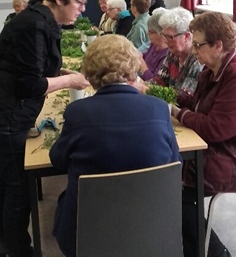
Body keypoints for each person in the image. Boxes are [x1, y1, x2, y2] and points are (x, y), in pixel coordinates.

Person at [0, 0, 94, 257]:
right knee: (19, 186)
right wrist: (68, 80)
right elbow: (29, 84)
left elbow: (36, 66)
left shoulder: (39, 19)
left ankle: (3, 239)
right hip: (7, 115)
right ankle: (18, 248)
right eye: (79, 3)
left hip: (7, 111)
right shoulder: (35, 24)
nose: (82, 9)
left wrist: (63, 71)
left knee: (9, 177)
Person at [50, 34, 181, 257]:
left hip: (88, 232)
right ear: (133, 69)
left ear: (90, 75)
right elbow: (173, 161)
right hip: (151, 226)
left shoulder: (77, 112)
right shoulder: (159, 108)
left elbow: (58, 161)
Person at [171, 11, 236, 257]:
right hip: (224, 148)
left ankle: (216, 253)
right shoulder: (211, 70)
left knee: (176, 197)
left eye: (198, 45)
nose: (193, 50)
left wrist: (177, 113)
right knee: (167, 176)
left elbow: (216, 129)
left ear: (218, 45)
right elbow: (197, 103)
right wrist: (170, 98)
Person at [142, 6, 203, 102]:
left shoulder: (198, 60)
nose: (165, 41)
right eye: (163, 35)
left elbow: (184, 98)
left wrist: (146, 89)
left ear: (186, 36)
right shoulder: (173, 53)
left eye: (169, 37)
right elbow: (159, 81)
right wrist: (138, 86)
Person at [139, 7, 168, 80]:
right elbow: (146, 56)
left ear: (162, 33)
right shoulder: (154, 44)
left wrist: (141, 62)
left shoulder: (167, 54)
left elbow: (153, 81)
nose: (147, 33)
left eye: (151, 32)